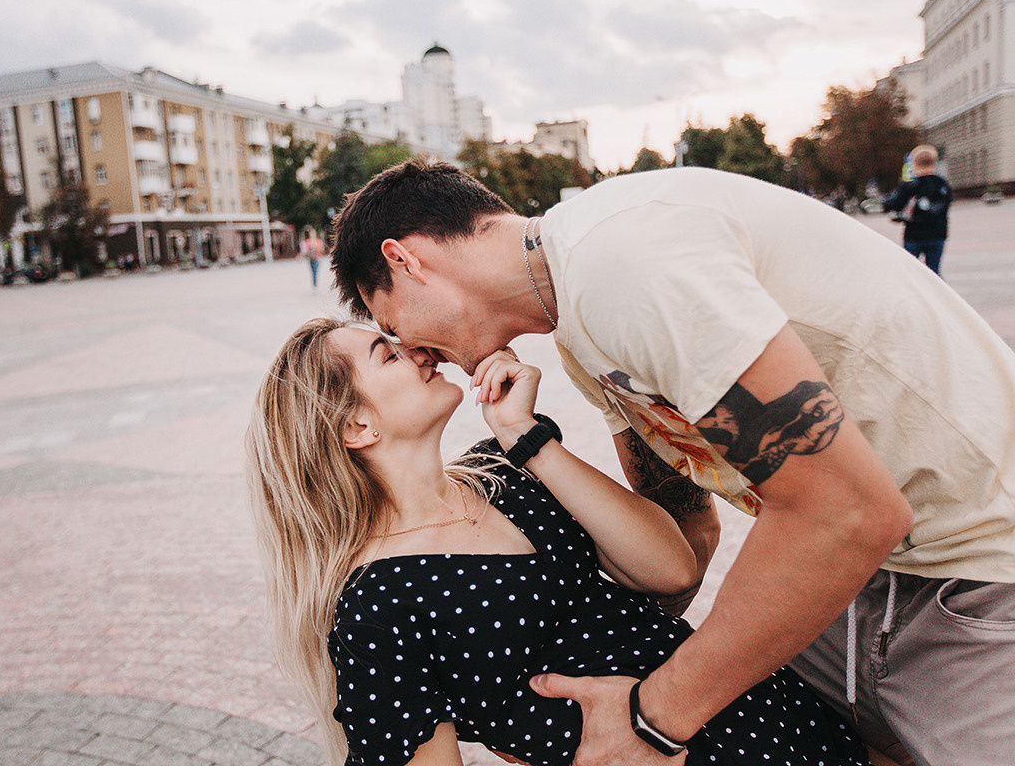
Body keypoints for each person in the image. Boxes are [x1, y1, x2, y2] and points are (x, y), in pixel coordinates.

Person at [329, 159, 1015, 766]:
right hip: (858, 577)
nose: (415, 347)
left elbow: (849, 511)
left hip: (982, 563)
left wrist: (649, 722)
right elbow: (691, 535)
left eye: (391, 325)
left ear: (407, 260)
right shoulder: (581, 330)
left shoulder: (625, 262)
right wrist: (560, 711)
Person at [246, 318, 872, 766]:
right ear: (356, 425)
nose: (417, 350)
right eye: (387, 354)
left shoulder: (506, 470)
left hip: (755, 709)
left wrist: (528, 438)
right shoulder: (376, 603)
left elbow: (672, 568)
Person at [882, 145, 952, 274]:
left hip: (914, 235)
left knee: (910, 273)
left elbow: (894, 205)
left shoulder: (910, 186)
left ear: (914, 163)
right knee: (934, 272)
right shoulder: (943, 184)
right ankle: (935, 294)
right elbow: (945, 206)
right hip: (938, 234)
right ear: (933, 162)